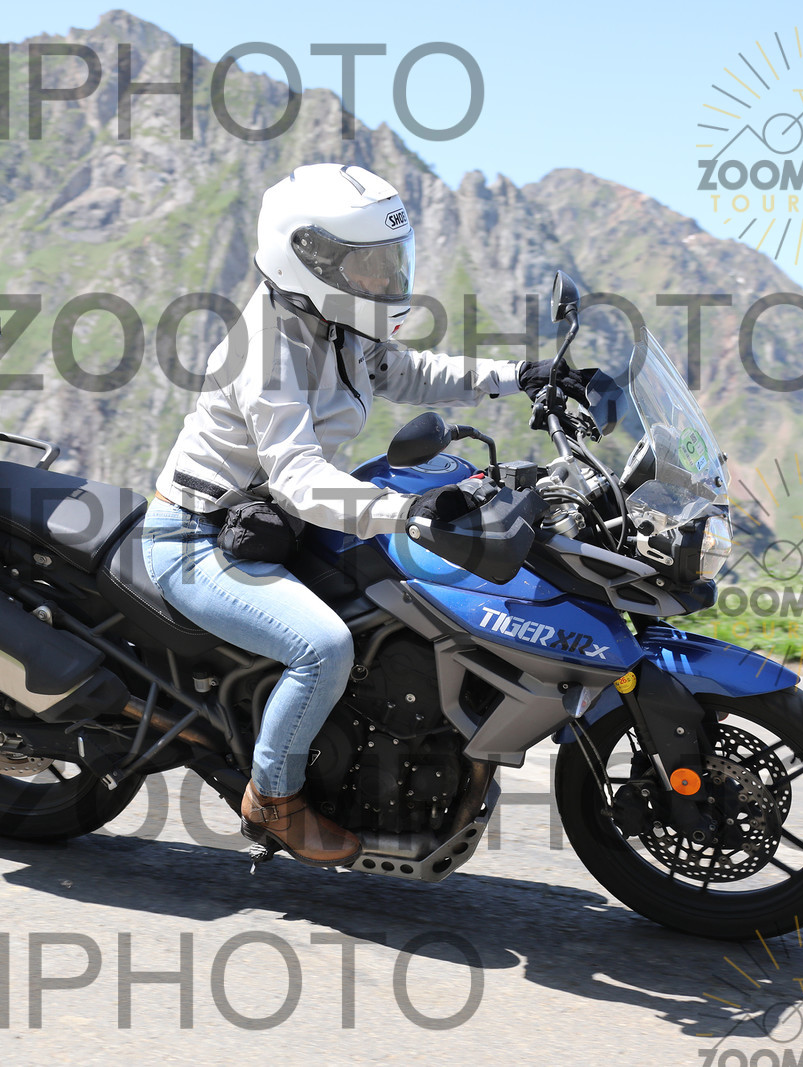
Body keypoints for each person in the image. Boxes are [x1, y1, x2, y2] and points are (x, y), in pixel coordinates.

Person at [143, 163, 598, 865]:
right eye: (368, 265)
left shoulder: (336, 323)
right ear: (309, 259)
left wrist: (517, 376)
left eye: (390, 261)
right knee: (323, 648)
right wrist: (405, 511)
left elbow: (408, 372)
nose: (385, 279)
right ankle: (274, 798)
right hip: (198, 538)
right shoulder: (266, 348)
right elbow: (299, 478)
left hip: (272, 523)